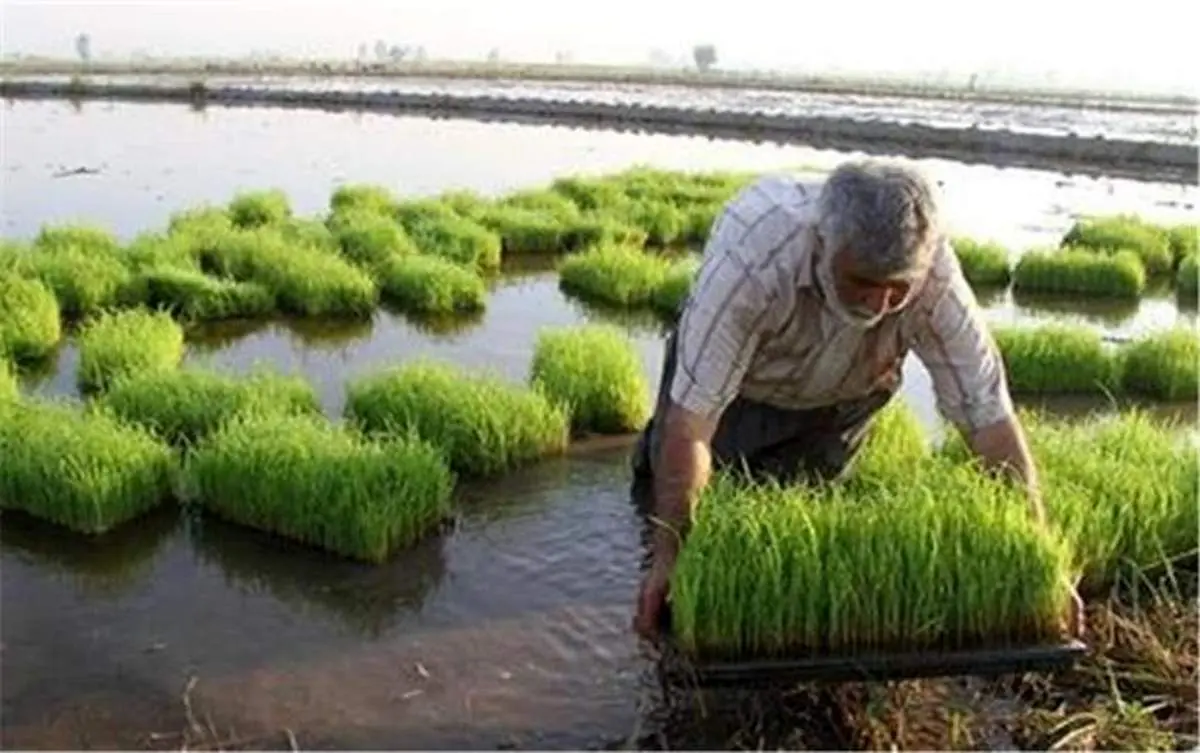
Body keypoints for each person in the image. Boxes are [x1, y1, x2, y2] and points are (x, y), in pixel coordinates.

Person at [630, 159, 1083, 641]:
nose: (878, 304)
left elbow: (988, 416)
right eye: (863, 282)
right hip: (745, 383)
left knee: (795, 516)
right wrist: (670, 556)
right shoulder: (757, 260)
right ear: (823, 245)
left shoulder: (934, 280)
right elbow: (692, 427)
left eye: (897, 289)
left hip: (847, 391)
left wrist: (1040, 556)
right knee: (673, 486)